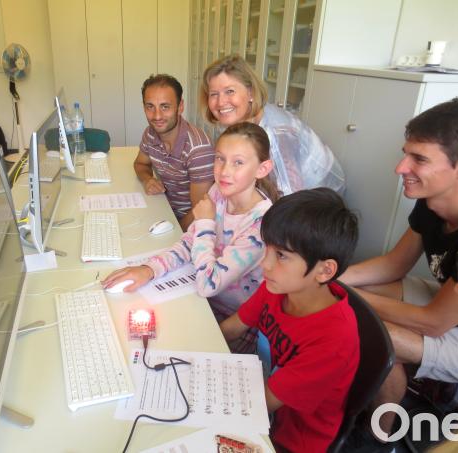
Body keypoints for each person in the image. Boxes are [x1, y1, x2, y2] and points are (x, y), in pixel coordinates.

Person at [338, 98, 458, 438]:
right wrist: (335, 278)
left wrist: (346, 293)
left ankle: (378, 437)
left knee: (366, 327)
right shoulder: (433, 202)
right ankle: (379, 411)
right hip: (454, 306)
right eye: (406, 153)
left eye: (419, 159)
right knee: (357, 303)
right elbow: (393, 264)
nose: (401, 167)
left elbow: (432, 323)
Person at [104, 122, 279, 353]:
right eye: (220, 158)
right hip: (200, 299)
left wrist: (206, 222)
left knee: (159, 350)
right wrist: (148, 270)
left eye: (238, 162)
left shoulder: (260, 224)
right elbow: (189, 243)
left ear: (262, 169)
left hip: (232, 323)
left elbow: (209, 284)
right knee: (133, 333)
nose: (224, 171)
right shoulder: (220, 191)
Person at [220, 188, 360, 453]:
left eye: (281, 255)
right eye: (267, 250)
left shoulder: (333, 338)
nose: (266, 264)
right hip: (260, 399)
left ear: (324, 270)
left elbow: (259, 404)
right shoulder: (278, 287)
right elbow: (231, 328)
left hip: (290, 440)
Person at [200, 55, 344, 196]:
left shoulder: (276, 133)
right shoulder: (235, 119)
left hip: (318, 199)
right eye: (214, 94)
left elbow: (290, 196)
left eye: (229, 91)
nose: (220, 102)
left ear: (250, 92)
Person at [134, 74, 215, 230]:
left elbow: (200, 210)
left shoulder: (198, 149)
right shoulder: (150, 133)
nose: (157, 116)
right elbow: (140, 163)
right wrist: (147, 180)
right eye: (150, 106)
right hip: (163, 209)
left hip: (187, 225)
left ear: (180, 107)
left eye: (165, 106)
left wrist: (174, 234)